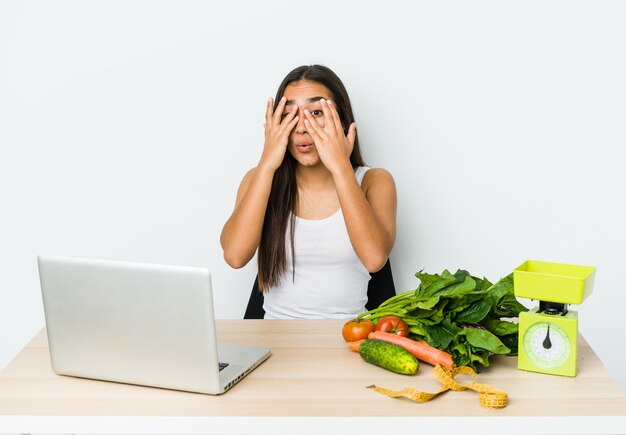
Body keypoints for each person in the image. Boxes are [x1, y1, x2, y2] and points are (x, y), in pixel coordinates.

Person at [220, 64, 397, 319]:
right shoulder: (258, 179)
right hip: (273, 342)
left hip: (347, 340)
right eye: (290, 115)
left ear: (342, 120)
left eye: (316, 112)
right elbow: (235, 256)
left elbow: (374, 259)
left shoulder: (375, 181)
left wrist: (340, 166)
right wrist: (268, 163)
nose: (302, 128)